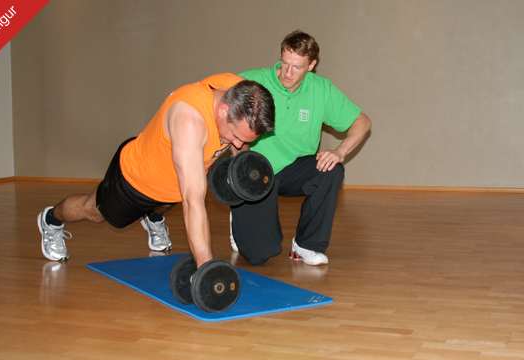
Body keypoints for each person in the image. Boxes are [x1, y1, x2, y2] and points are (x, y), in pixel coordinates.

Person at [37, 73, 275, 268]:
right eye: (234, 136)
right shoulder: (189, 120)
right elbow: (194, 202)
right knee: (94, 212)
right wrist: (206, 269)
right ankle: (51, 220)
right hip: (136, 179)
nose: (236, 144)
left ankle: (153, 217)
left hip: (172, 184)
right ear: (223, 110)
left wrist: (242, 167)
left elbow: (239, 143)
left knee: (166, 202)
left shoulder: (241, 92)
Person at [230, 30, 372, 266]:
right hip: (255, 172)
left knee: (332, 170)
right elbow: (216, 108)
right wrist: (239, 161)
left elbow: (362, 122)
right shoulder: (250, 81)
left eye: (297, 67)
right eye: (285, 63)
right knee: (259, 255)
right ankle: (239, 214)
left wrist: (340, 152)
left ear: (311, 65)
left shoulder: (321, 89)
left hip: (292, 169)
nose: (287, 73)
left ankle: (306, 244)